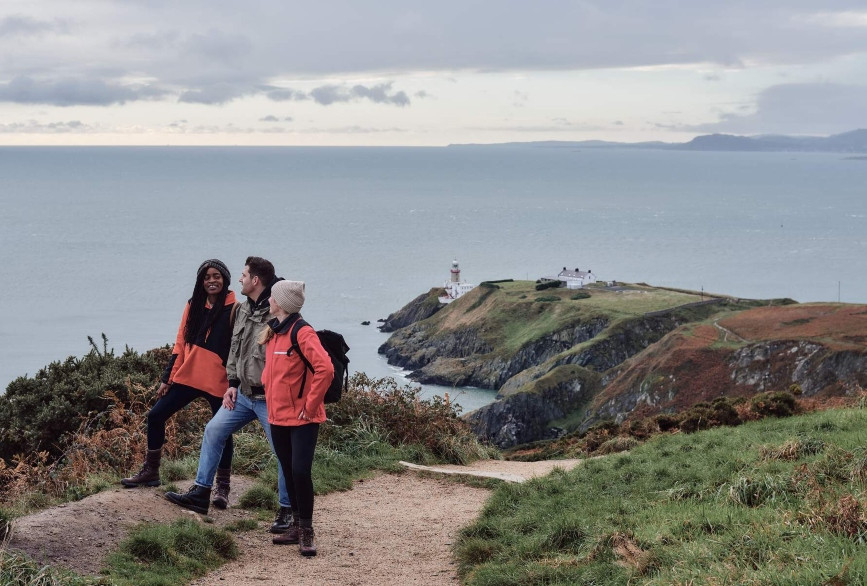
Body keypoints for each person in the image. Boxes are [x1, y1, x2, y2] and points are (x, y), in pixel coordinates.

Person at [164, 257, 293, 532]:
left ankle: (287, 510)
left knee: (283, 452)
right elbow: (235, 350)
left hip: (270, 399)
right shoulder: (242, 310)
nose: (240, 279)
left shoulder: (278, 311)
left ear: (256, 280)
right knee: (213, 431)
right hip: (243, 396)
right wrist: (232, 384)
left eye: (244, 275)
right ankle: (201, 493)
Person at [122, 259, 236, 488]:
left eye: (216, 276)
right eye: (206, 277)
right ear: (200, 281)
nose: (211, 281)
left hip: (218, 381)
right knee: (155, 416)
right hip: (190, 376)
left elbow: (238, 348)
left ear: (225, 279)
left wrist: (234, 383)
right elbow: (180, 342)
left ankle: (222, 486)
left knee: (223, 431)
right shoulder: (193, 304)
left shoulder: (235, 309)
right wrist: (167, 378)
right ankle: (151, 472)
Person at [262, 280, 334, 556]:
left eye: (273, 296)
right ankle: (294, 525)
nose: (269, 299)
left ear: (282, 303)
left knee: (301, 472)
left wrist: (311, 403)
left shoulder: (302, 332)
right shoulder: (274, 330)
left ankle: (306, 530)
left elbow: (325, 369)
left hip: (303, 417)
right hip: (278, 416)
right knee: (289, 470)